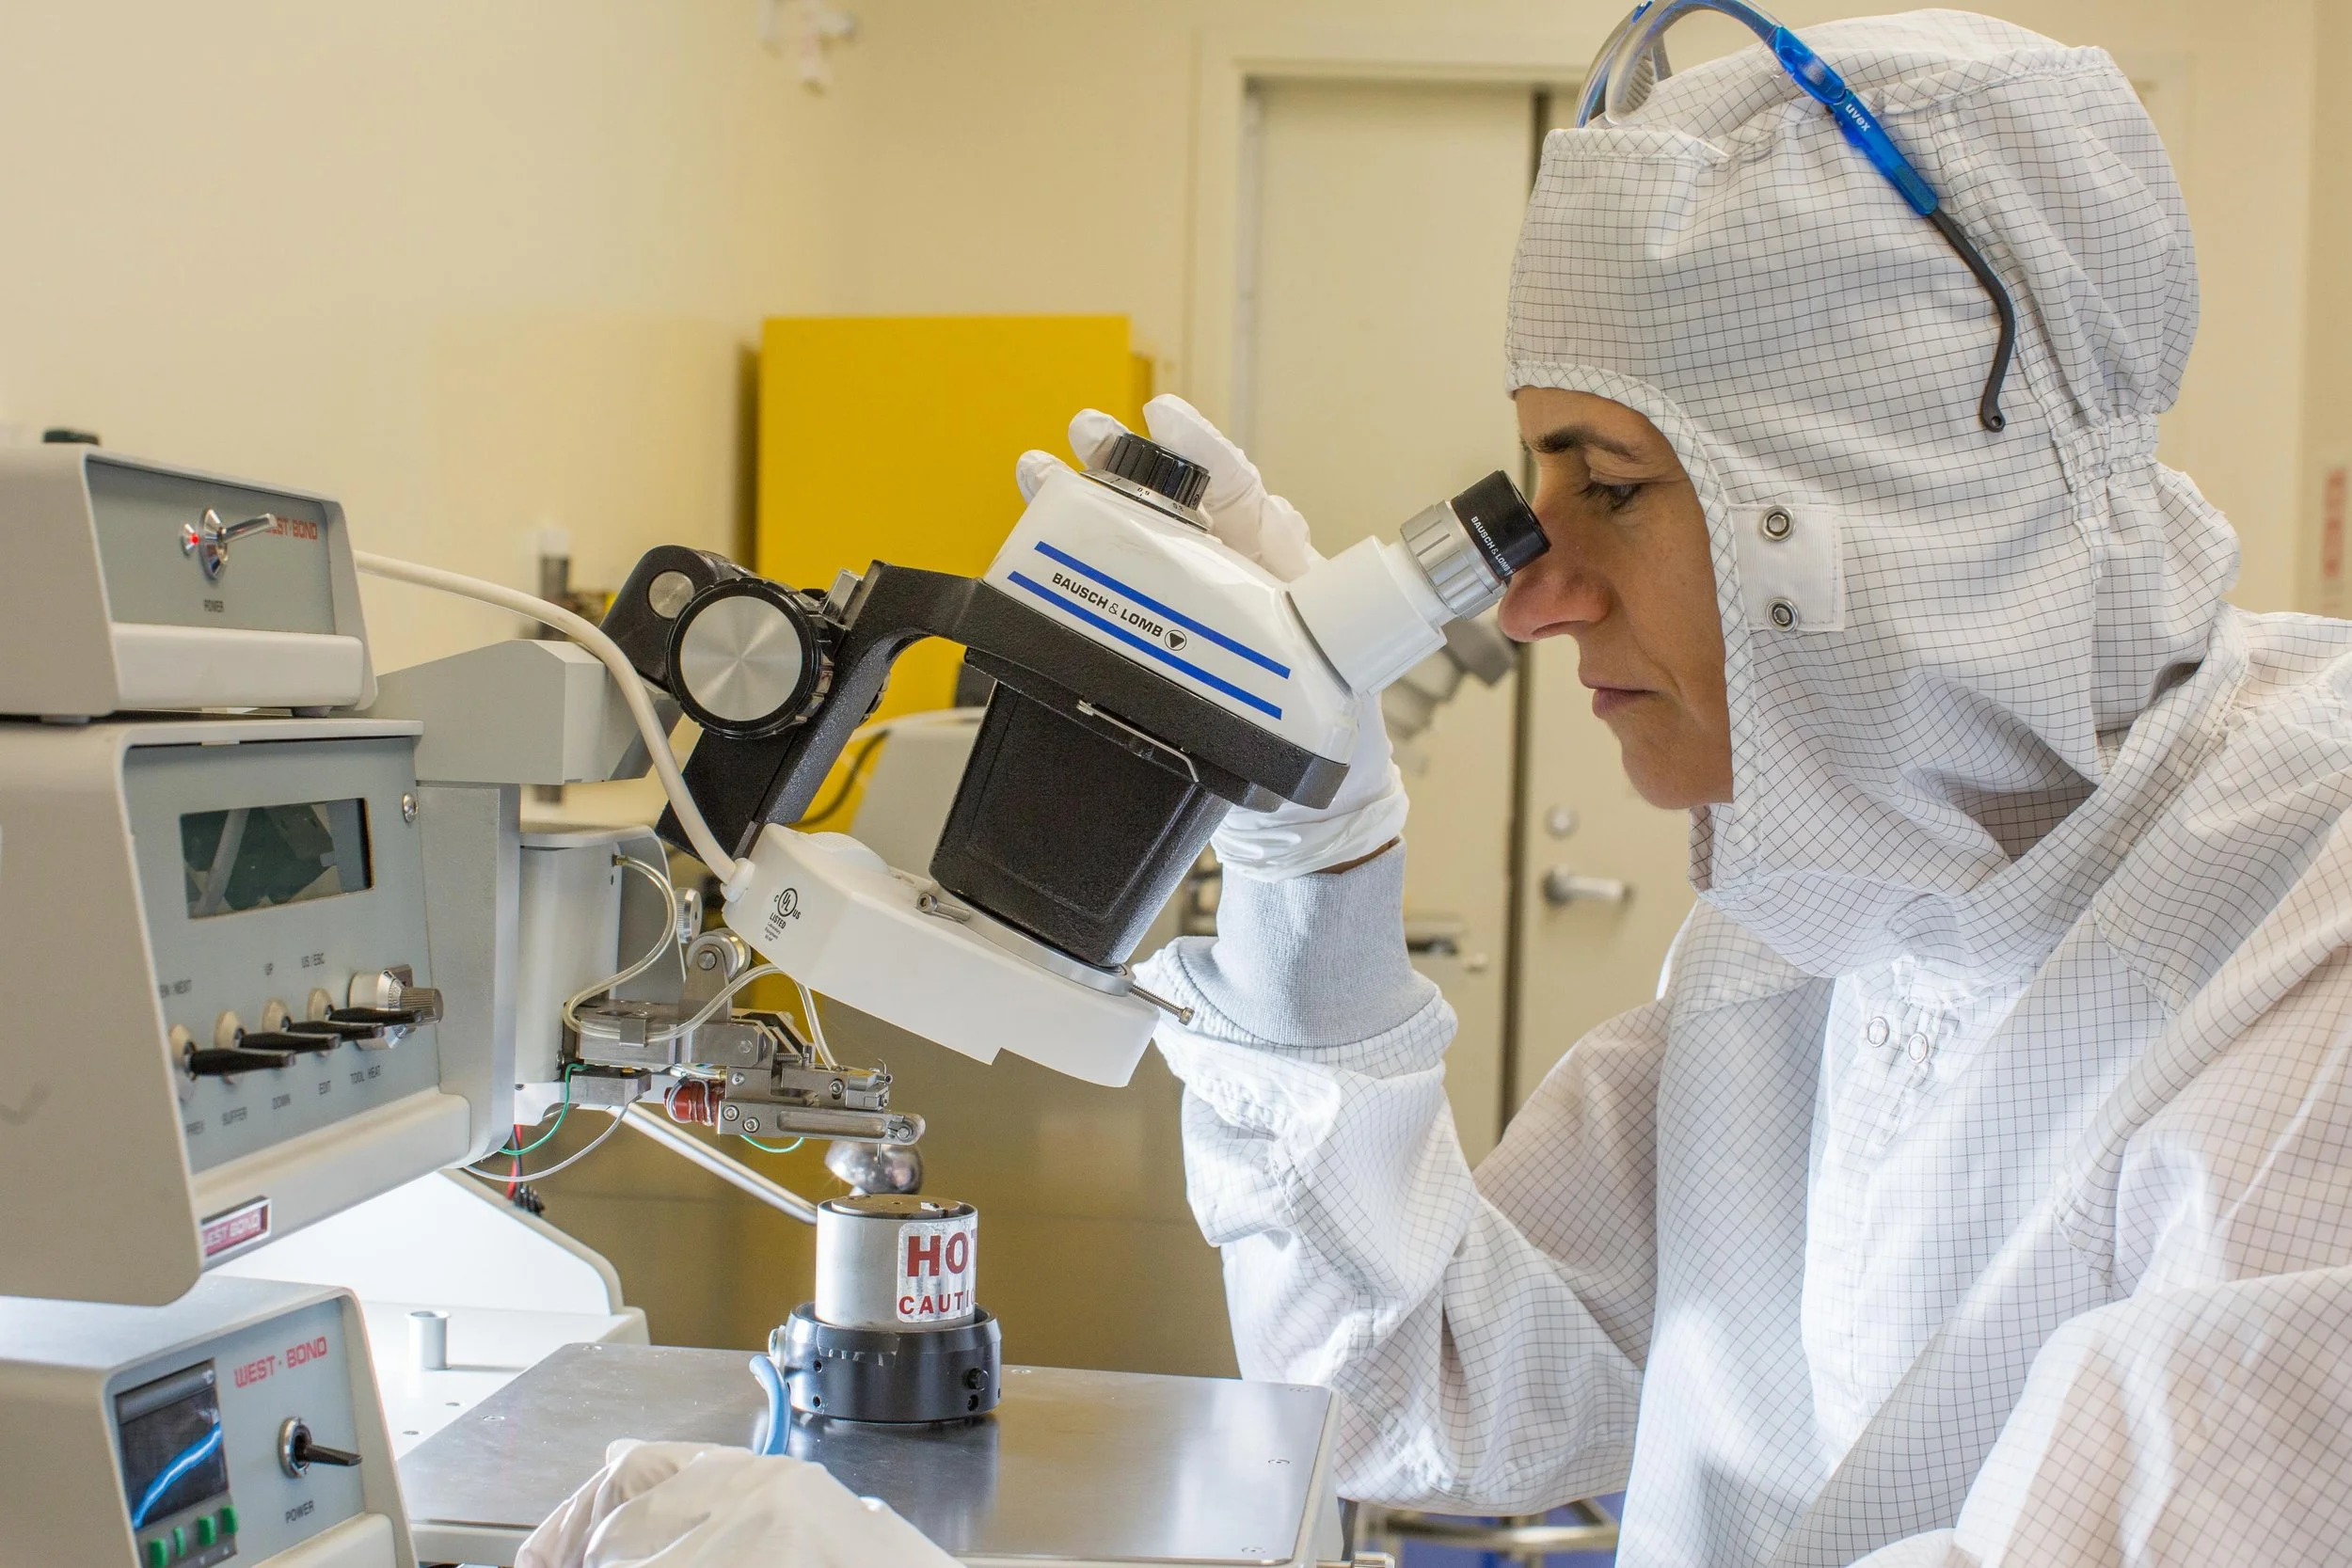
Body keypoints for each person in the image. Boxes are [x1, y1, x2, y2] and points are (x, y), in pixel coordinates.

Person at [1023, 11, 2352, 1567]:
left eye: (1617, 487)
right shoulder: (1824, 914)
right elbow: (1414, 1395)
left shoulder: (2298, 961)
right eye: (1533, 494)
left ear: (1891, 494)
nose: (1531, 602)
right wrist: (1307, 851)